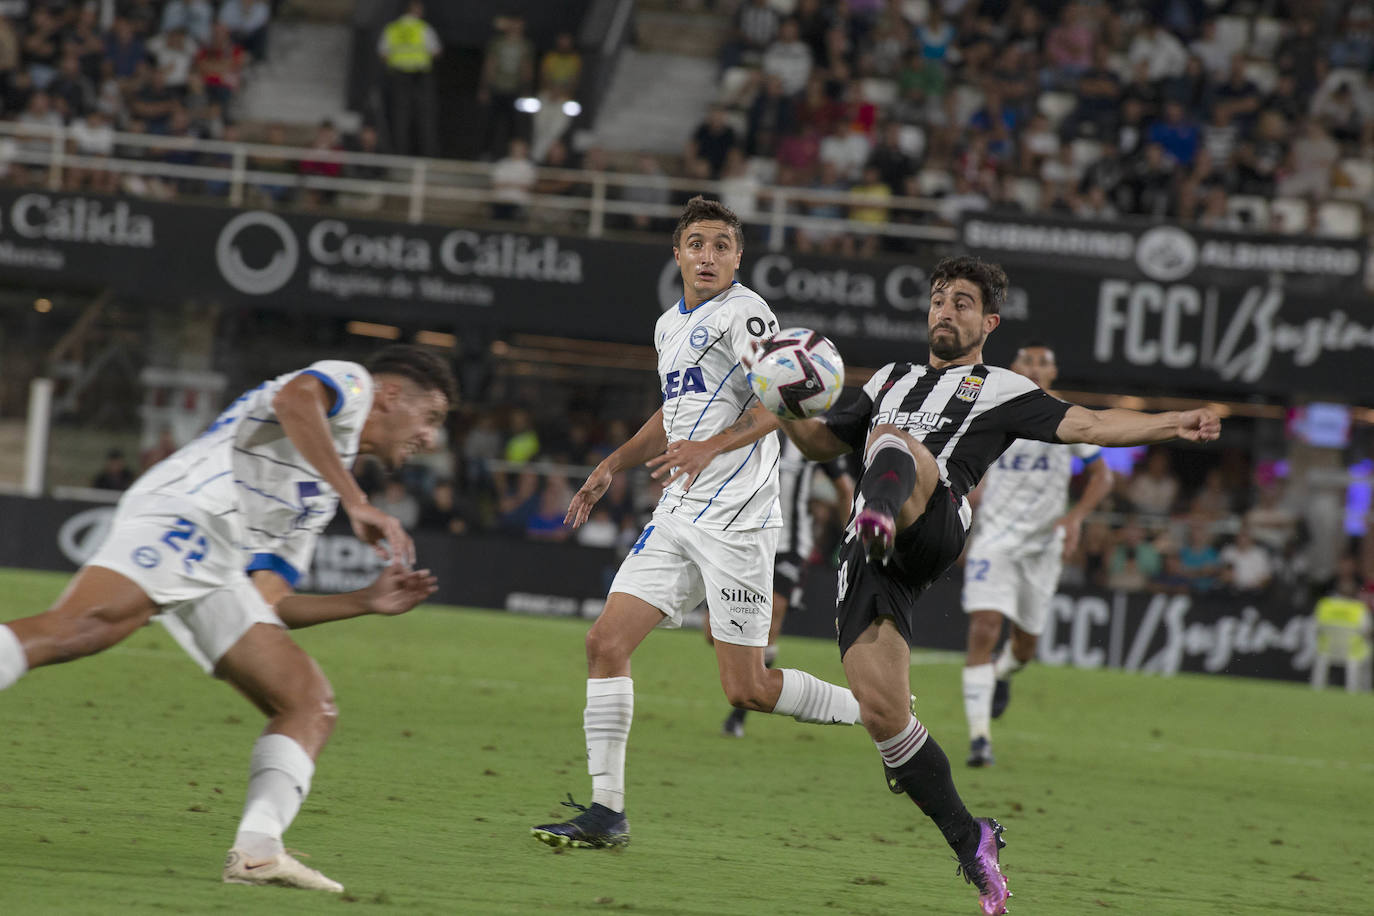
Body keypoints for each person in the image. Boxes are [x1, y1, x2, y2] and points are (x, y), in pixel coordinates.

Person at [770, 256, 1221, 915]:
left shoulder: (1003, 389)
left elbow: (1090, 426)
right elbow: (820, 443)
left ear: (988, 322)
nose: (944, 311)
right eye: (937, 300)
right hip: (872, 561)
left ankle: (875, 517)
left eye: (960, 302)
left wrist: (1168, 423)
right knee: (886, 718)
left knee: (895, 441)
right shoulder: (891, 378)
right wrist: (782, 402)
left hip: (932, 519)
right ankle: (972, 840)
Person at [0, 346, 456, 893]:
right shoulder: (349, 383)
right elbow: (295, 398)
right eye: (430, 418)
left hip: (215, 557)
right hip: (189, 508)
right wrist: (357, 499)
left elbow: (266, 606)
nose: (432, 438)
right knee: (82, 628)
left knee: (307, 700)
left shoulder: (316, 502)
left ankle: (260, 851)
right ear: (390, 397)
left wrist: (363, 600)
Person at [531, 197, 867, 851]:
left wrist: (711, 448)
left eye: (720, 244)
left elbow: (786, 401)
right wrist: (613, 463)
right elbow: (672, 412)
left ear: (738, 257)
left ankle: (878, 711)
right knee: (605, 643)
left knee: (747, 687)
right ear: (678, 254)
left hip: (740, 522)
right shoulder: (667, 326)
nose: (707, 255)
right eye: (696, 244)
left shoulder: (746, 313)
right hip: (679, 511)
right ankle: (607, 812)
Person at [959, 341, 1114, 768]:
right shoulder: (992, 411)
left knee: (1025, 646)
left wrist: (1075, 518)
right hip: (995, 540)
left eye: (1042, 361)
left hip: (1043, 546)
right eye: (1027, 359)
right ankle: (979, 740)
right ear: (1013, 366)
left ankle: (1002, 673)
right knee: (985, 627)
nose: (1033, 366)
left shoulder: (1066, 417)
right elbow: (975, 473)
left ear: (1053, 373)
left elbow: (1103, 477)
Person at [720, 431, 853, 738]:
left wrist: (850, 542)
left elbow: (845, 489)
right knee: (713, 633)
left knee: (773, 613)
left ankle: (740, 713)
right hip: (745, 542)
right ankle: (748, 679)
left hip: (791, 545)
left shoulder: (810, 436)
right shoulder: (749, 430)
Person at [378, 0, 441, 157]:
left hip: (398, 76)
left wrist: (398, 61)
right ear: (413, 10)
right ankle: (427, 154)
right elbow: (436, 52)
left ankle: (400, 153)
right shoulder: (423, 28)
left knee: (400, 118)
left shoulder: (392, 28)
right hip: (419, 77)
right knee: (424, 117)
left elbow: (383, 54)